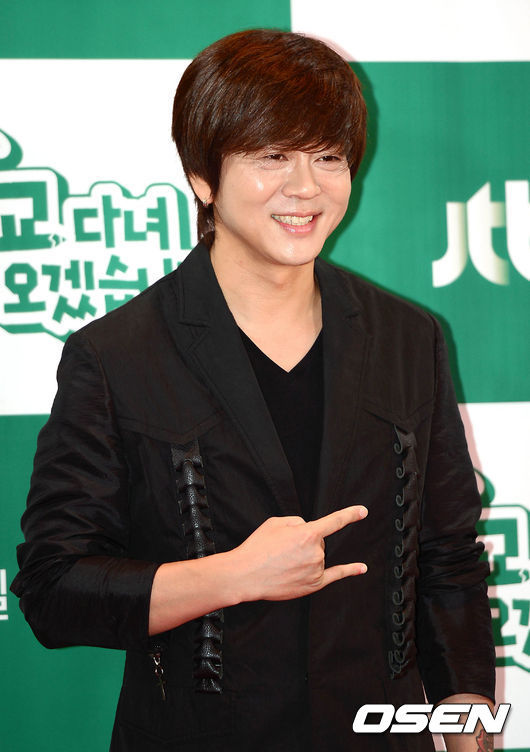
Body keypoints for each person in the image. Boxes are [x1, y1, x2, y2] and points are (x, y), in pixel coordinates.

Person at [12, 29, 495, 752]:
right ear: (202, 178)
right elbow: (54, 590)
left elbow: (449, 562)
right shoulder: (115, 356)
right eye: (272, 156)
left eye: (328, 157)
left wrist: (469, 736)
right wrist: (230, 576)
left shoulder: (407, 338)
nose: (306, 187)